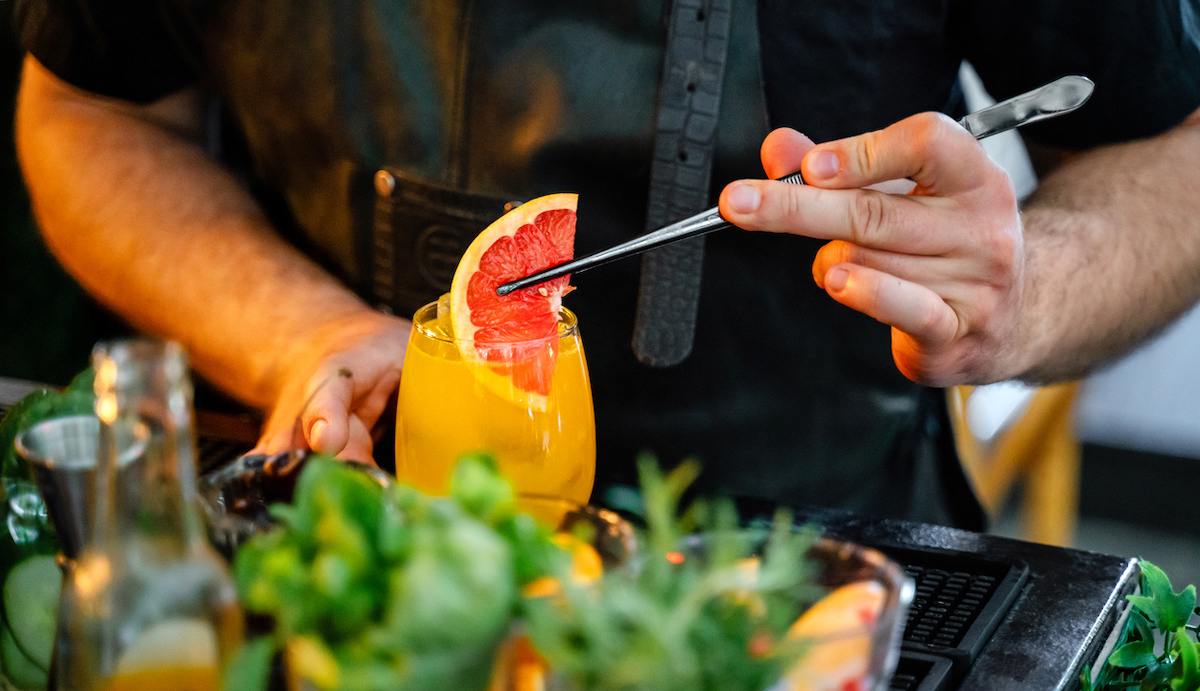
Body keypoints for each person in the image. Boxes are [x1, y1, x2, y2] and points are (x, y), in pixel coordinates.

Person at [12, 0, 1200, 530]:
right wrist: (299, 330)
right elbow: (89, 118)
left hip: (806, 564)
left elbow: (1177, 153)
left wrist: (1026, 286)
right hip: (355, 547)